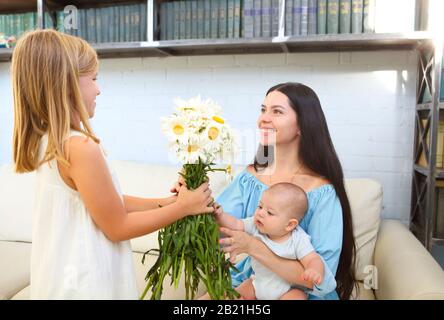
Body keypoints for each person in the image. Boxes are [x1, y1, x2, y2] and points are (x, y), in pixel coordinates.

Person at [11, 30, 214, 299]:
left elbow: (107, 203)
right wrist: (184, 209)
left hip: (61, 277)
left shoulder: (49, 142)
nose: (99, 88)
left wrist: (170, 202)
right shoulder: (80, 148)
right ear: (66, 84)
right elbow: (117, 227)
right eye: (93, 79)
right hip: (87, 283)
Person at [214, 82, 357, 300]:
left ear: (302, 125)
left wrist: (254, 247)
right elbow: (217, 226)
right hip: (251, 285)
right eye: (263, 110)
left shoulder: (323, 192)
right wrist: (192, 196)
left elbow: (321, 278)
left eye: (277, 112)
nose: (264, 118)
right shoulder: (249, 178)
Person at [214, 182, 326, 300]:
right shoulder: (255, 225)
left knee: (298, 296)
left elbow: (312, 258)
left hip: (288, 290)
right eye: (260, 206)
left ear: (290, 225)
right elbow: (236, 224)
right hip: (257, 283)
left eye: (270, 212)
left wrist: (314, 270)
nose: (260, 213)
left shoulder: (298, 238)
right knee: (235, 293)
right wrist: (221, 216)